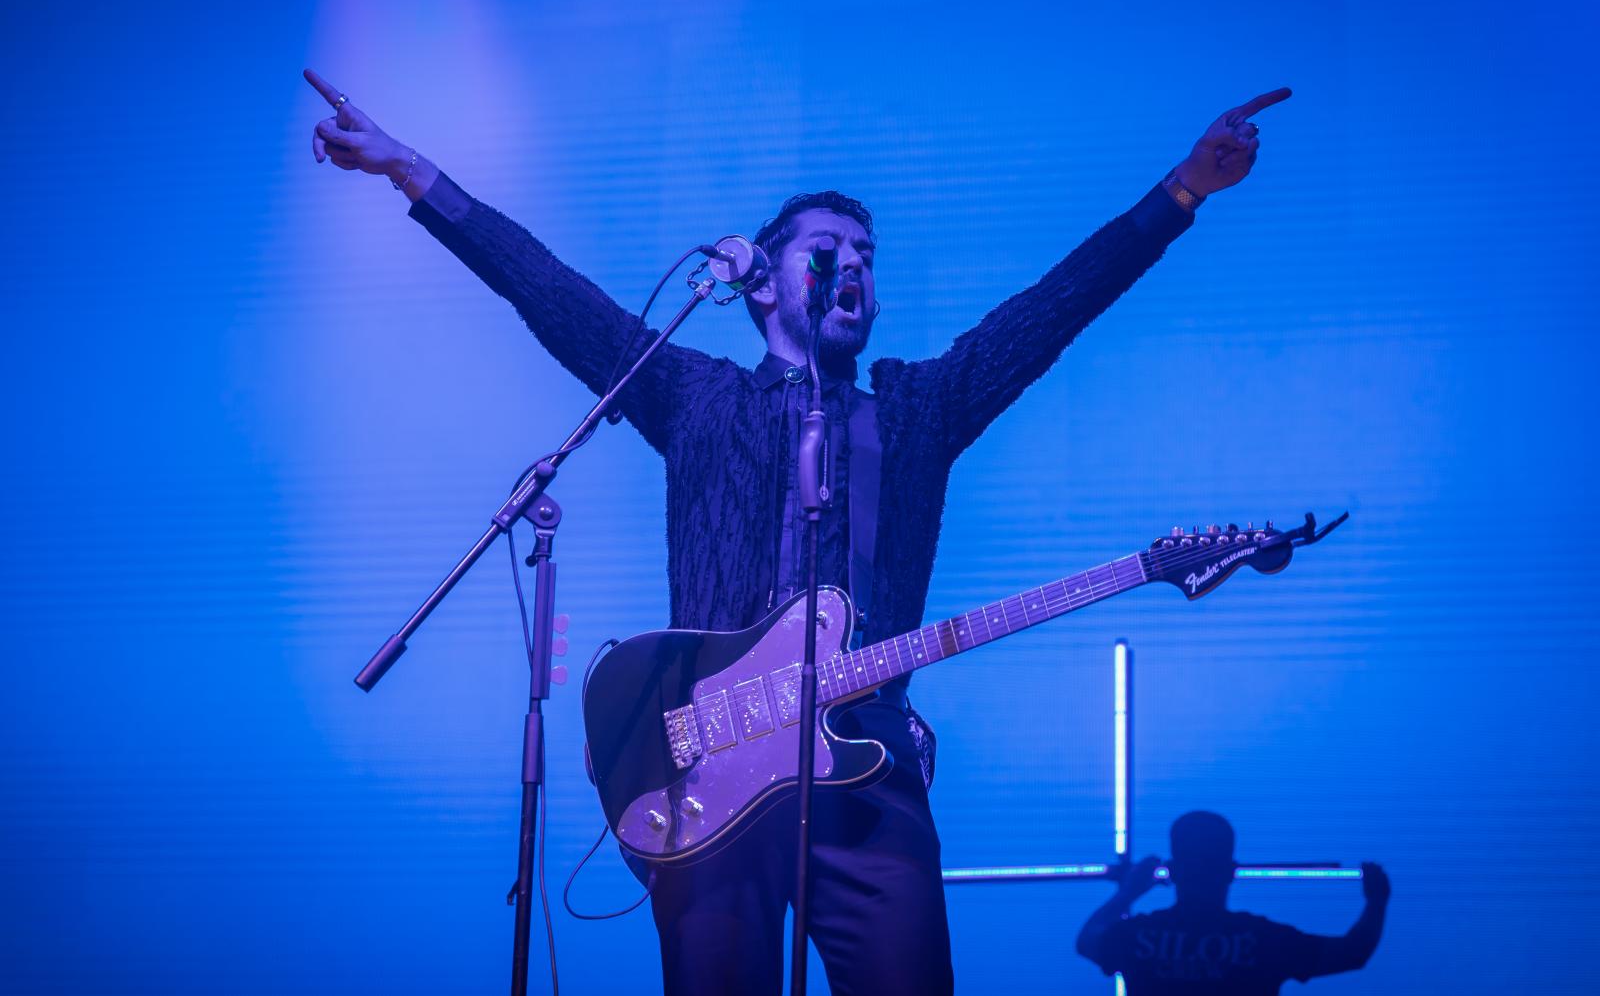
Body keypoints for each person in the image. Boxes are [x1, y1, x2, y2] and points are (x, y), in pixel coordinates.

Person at [305, 67, 1288, 995]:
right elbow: (550, 292)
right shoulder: (694, 394)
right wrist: (407, 168)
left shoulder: (916, 411)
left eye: (868, 257)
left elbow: (1051, 308)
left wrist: (1184, 189)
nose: (854, 266)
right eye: (830, 251)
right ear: (761, 285)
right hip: (703, 770)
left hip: (870, 769)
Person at [1077, 811, 1391, 994]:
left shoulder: (1139, 935)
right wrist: (1376, 902)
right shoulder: (1263, 939)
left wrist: (1128, 893)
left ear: (1172, 872)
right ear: (1230, 872)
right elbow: (1353, 953)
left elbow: (1088, 940)